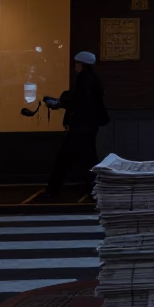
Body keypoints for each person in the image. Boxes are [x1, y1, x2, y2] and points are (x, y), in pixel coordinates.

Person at [46, 52, 109, 198]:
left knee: (66, 157)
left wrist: (60, 103)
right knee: (87, 157)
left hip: (82, 125)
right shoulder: (92, 80)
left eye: (77, 63)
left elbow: (79, 101)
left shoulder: (84, 80)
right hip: (88, 124)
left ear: (81, 64)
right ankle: (95, 186)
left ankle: (54, 188)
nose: (75, 65)